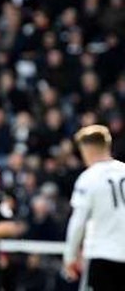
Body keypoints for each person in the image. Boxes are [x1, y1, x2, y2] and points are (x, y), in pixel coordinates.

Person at [63, 125, 125, 291]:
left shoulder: (89, 178)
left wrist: (70, 256)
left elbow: (78, 222)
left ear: (87, 150)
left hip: (102, 254)